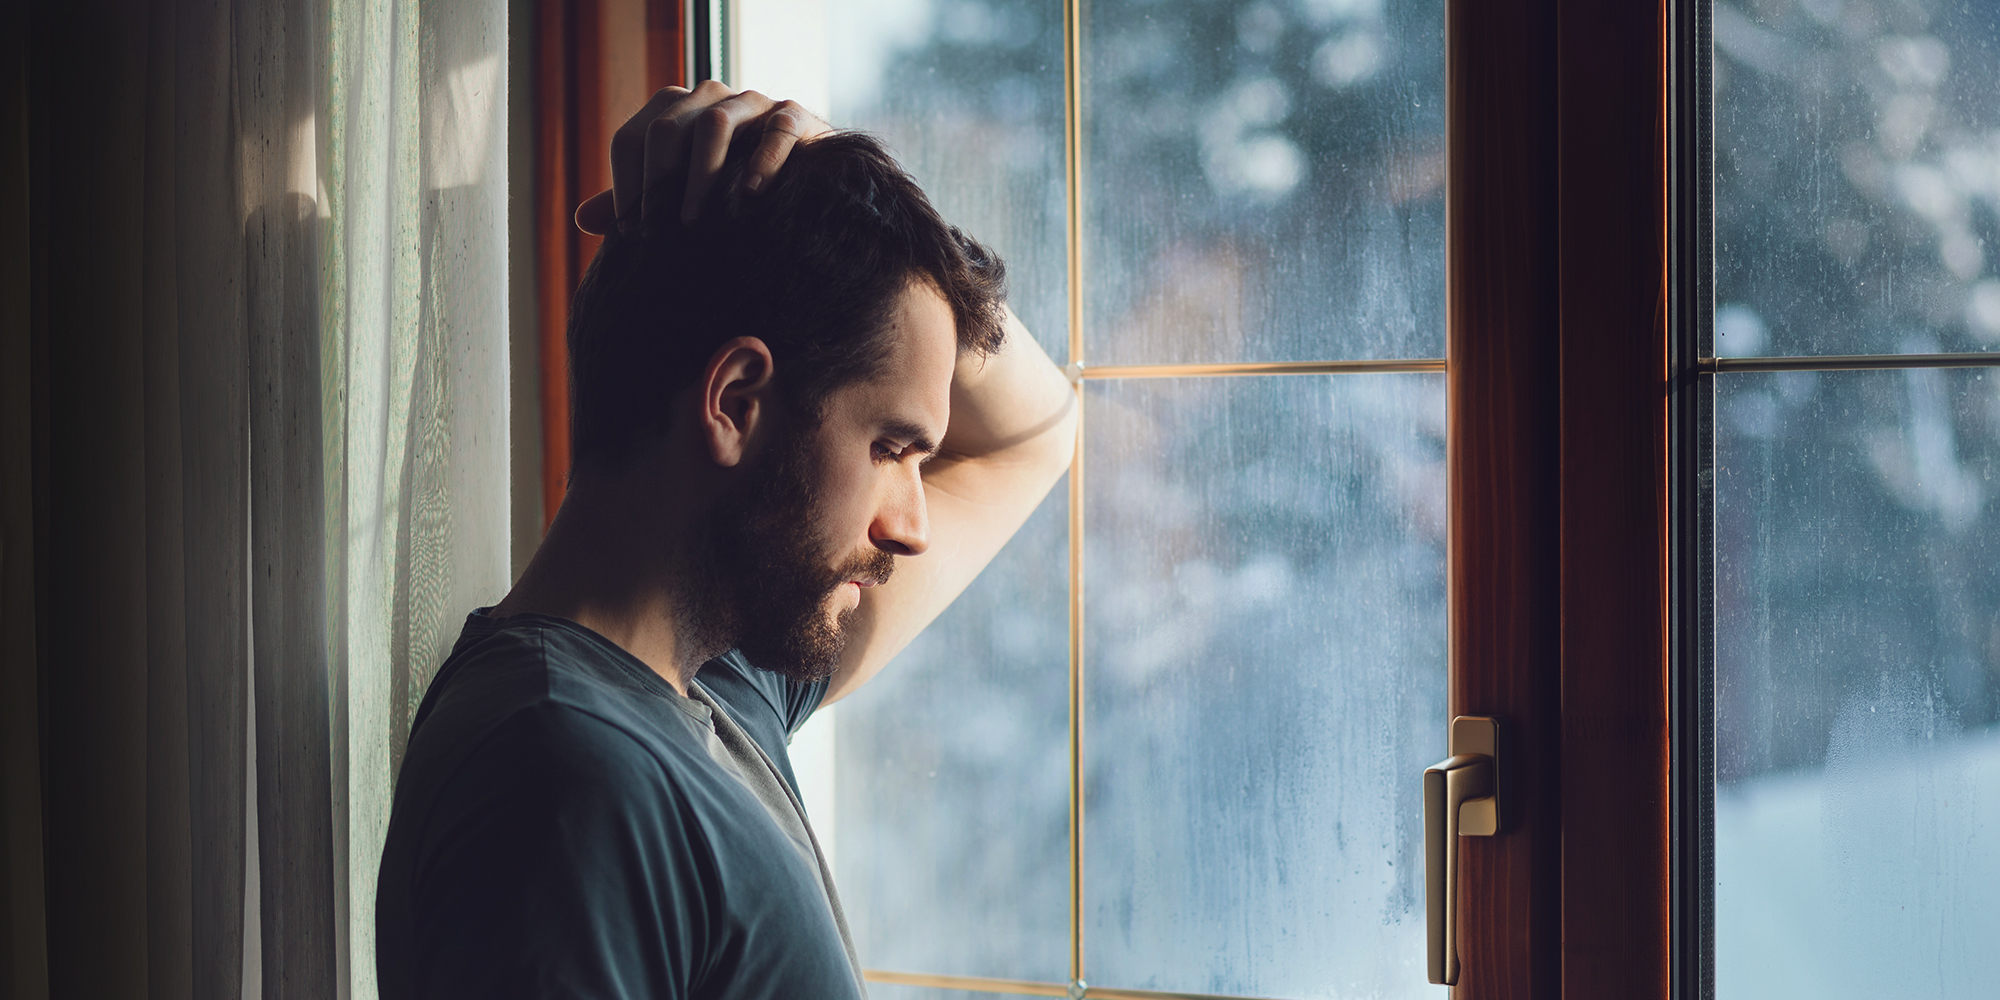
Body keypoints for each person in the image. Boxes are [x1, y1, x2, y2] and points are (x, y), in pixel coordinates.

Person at [374, 82, 1076, 1000]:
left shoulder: (723, 686)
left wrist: (825, 169)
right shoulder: (563, 778)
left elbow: (1035, 436)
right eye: (890, 449)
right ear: (737, 402)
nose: (909, 526)